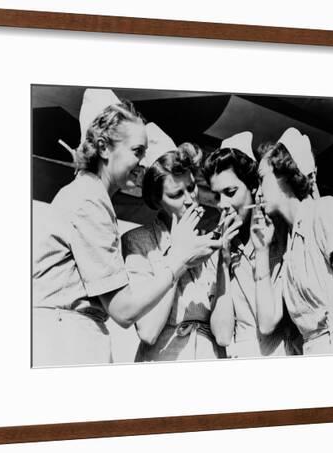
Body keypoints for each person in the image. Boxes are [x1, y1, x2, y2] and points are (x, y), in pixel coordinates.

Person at [32, 89, 220, 366]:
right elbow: (123, 310)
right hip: (68, 338)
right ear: (104, 147)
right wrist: (179, 259)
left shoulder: (89, 195)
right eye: (137, 151)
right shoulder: (89, 201)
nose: (144, 162)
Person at [122, 125, 227, 362]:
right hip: (164, 359)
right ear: (156, 201)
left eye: (191, 188)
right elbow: (148, 332)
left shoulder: (210, 242)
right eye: (176, 195)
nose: (190, 200)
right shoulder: (138, 242)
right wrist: (178, 258)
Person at [252, 127, 333, 355]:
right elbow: (267, 323)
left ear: (284, 174)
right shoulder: (290, 244)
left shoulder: (326, 211)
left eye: (261, 180)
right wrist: (261, 251)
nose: (257, 193)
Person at [204, 131, 294, 358]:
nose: (222, 204)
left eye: (230, 192)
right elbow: (223, 336)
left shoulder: (283, 233)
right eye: (216, 196)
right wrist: (222, 265)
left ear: (254, 187)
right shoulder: (219, 248)